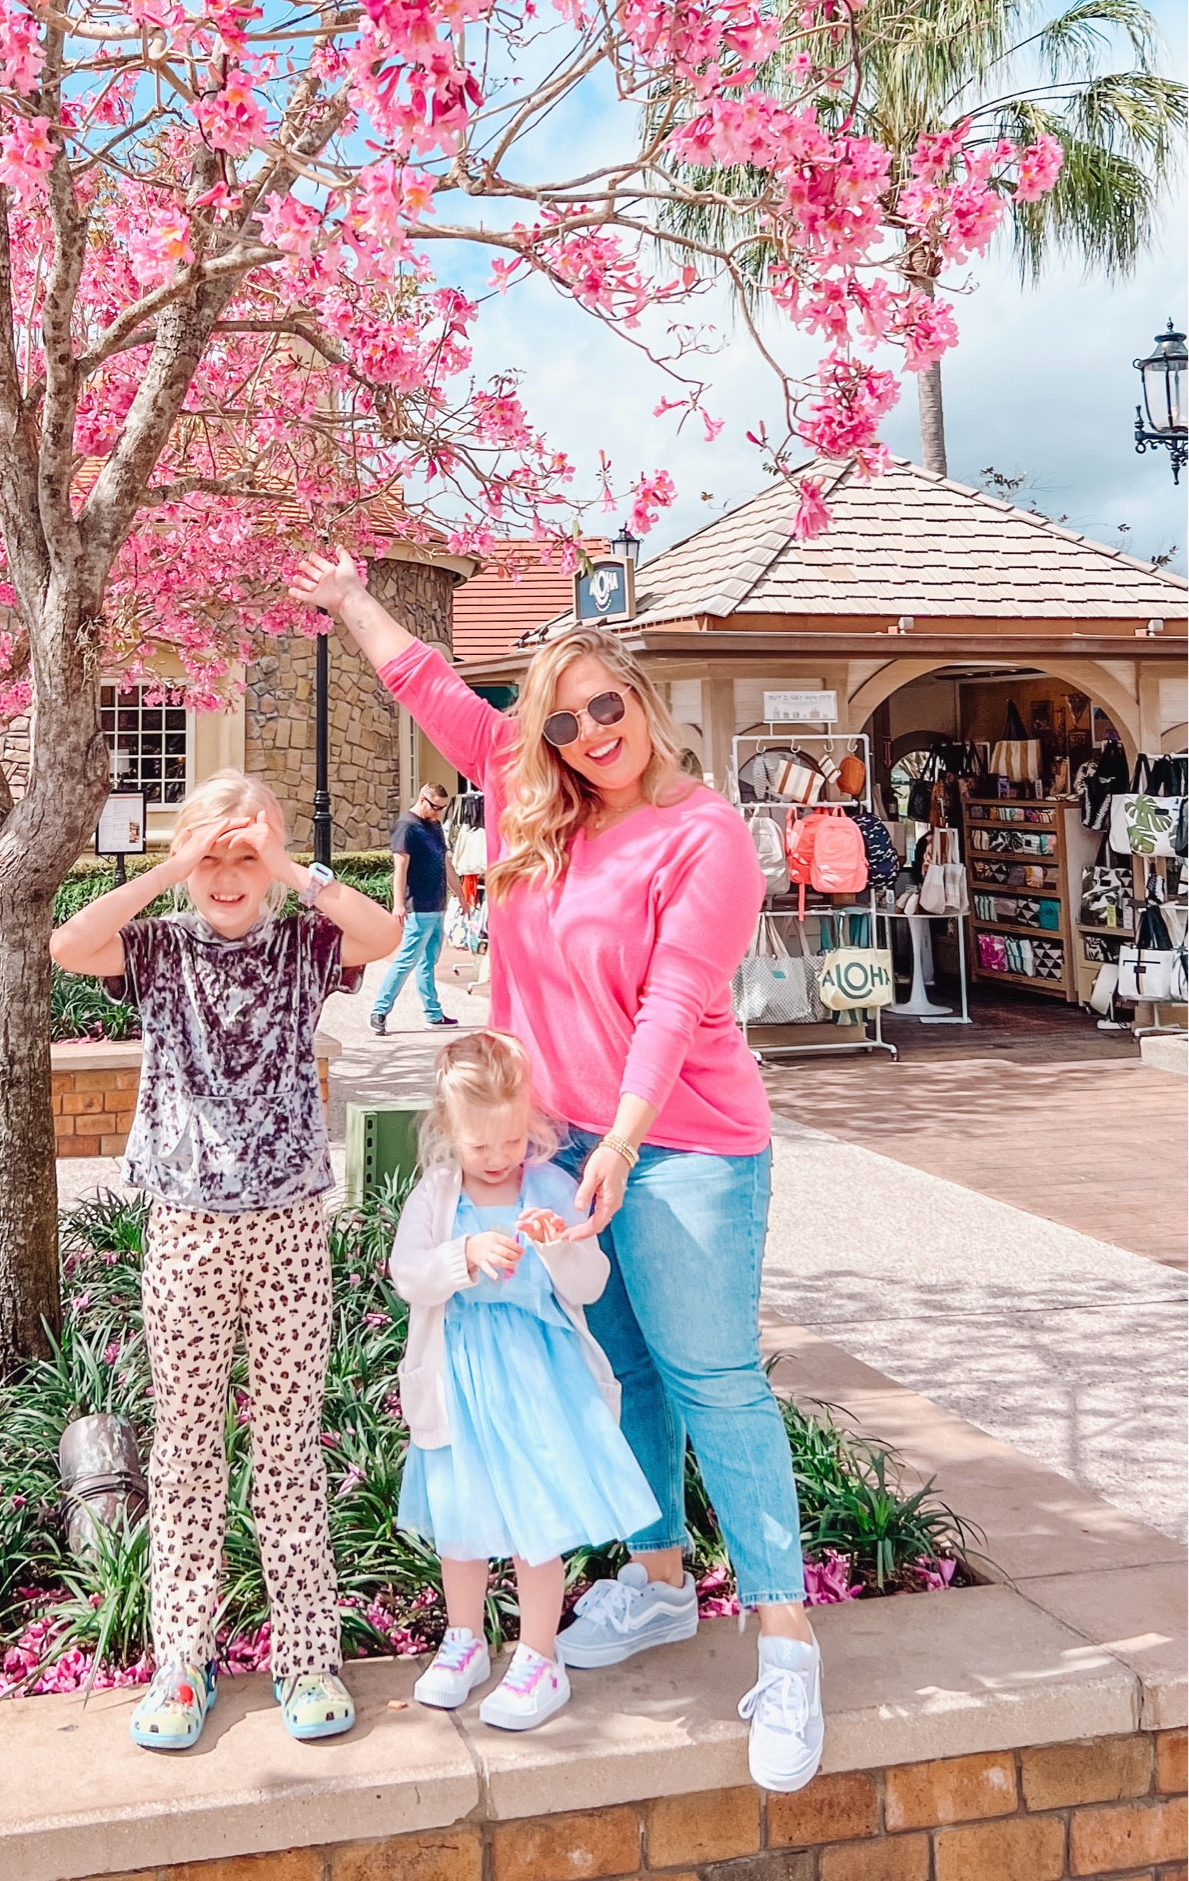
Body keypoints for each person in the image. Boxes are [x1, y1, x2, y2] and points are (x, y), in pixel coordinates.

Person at [289, 550, 824, 1795]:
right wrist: (351, 599)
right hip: (561, 1143)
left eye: (605, 706)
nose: (589, 734)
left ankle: (786, 1639)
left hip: (681, 1142)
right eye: (564, 719)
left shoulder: (703, 836)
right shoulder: (535, 805)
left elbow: (677, 1004)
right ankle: (653, 1579)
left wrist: (621, 1144)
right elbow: (430, 688)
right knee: (620, 1366)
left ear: (641, 699)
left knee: (714, 1378)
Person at [50, 771, 402, 1752]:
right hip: (187, 1227)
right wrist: (174, 861)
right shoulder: (158, 948)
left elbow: (383, 936)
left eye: (247, 859)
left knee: (288, 1449)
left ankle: (304, 1655)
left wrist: (288, 862)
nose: (230, 875)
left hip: (288, 1223)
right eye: (216, 858)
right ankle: (181, 1657)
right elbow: (68, 945)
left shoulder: (302, 941)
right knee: (186, 1454)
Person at [390, 1031, 659, 1732]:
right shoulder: (436, 1196)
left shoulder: (547, 1187)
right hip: (462, 1379)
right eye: (480, 1147)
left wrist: (553, 1247)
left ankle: (539, 1654)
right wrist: (462, 1254)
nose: (498, 1157)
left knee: (535, 1519)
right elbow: (408, 1274)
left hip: (538, 1381)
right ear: (449, 1133)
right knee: (461, 1516)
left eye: (510, 1140)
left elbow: (591, 1283)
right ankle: (464, 1639)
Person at [370, 781, 458, 1035]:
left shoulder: (434, 826)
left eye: (442, 808)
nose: (437, 812)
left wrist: (460, 894)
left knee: (428, 961)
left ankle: (433, 1013)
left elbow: (444, 861)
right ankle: (379, 1010)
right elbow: (400, 868)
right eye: (434, 807)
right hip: (417, 906)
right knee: (406, 960)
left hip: (437, 904)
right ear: (422, 799)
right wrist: (398, 904)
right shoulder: (406, 827)